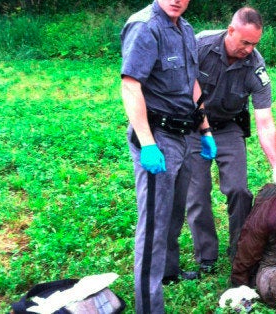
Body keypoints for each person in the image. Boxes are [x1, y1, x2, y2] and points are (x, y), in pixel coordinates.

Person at [120, 0, 217, 312]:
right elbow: (131, 85)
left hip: (185, 134)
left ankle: (168, 272)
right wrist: (147, 143)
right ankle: (149, 307)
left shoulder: (186, 29)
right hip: (157, 137)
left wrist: (205, 130)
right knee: (154, 225)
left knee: (175, 211)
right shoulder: (144, 26)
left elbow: (192, 84)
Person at [186, 6, 276, 271]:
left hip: (229, 126)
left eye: (254, 44)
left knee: (239, 190)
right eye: (244, 42)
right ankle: (206, 256)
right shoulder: (200, 45)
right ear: (230, 30)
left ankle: (239, 249)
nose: (249, 49)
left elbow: (265, 121)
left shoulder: (256, 66)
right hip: (195, 126)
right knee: (197, 193)